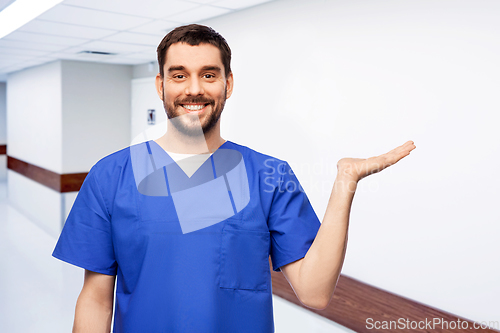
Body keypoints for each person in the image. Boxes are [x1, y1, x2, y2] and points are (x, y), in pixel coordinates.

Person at [52, 24, 416, 333]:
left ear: (228, 83)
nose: (194, 88)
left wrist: (345, 183)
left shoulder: (269, 175)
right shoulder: (110, 175)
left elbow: (315, 291)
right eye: (179, 75)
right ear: (161, 85)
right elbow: (96, 299)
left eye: (208, 75)